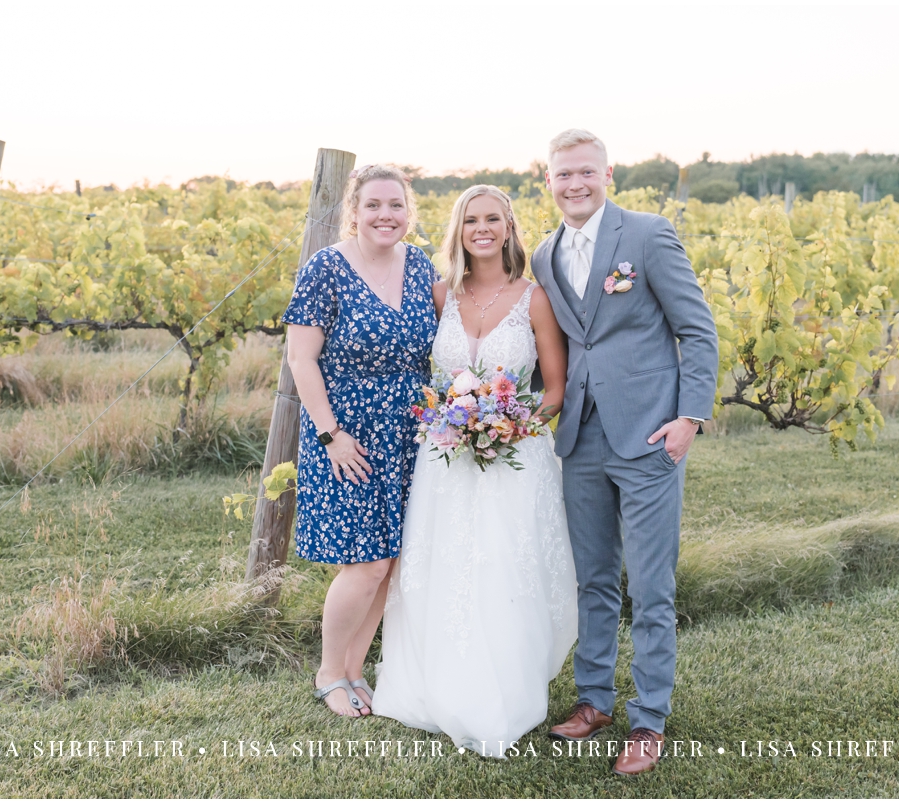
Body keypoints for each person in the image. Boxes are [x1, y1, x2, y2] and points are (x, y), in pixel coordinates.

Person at [530, 129, 719, 775]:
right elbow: (557, 346)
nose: (575, 184)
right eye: (563, 175)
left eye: (586, 172)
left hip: (649, 434)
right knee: (594, 579)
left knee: (652, 583)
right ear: (548, 182)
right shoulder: (545, 254)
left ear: (607, 175)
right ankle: (593, 700)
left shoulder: (646, 234)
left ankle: (649, 719)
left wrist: (688, 417)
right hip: (580, 437)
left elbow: (696, 328)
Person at [372, 185, 578, 757]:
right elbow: (429, 379)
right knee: (446, 565)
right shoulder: (441, 296)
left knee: (503, 565)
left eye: (492, 219)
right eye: (470, 221)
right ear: (458, 231)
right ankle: (435, 682)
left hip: (514, 457)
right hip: (446, 460)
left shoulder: (534, 298)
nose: (481, 229)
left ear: (509, 228)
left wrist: (508, 425)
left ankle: (504, 691)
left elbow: (554, 390)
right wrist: (454, 422)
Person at [281, 164, 438, 717]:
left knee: (390, 558)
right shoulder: (327, 267)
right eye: (373, 205)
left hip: (408, 430)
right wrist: (331, 435)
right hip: (348, 430)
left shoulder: (420, 264)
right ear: (355, 210)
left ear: (408, 211)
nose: (385, 215)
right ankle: (329, 672)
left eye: (395, 205)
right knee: (365, 561)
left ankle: (354, 669)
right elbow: (301, 358)